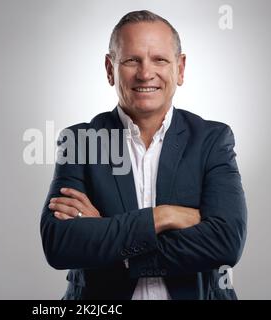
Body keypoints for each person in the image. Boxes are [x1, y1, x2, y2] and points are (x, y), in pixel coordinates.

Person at [40, 10, 247, 300]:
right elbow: (59, 245)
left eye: (159, 59)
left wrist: (111, 241)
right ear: (110, 68)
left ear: (181, 68)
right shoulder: (80, 141)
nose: (145, 73)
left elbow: (225, 242)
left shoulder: (212, 139)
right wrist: (163, 216)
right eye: (131, 60)